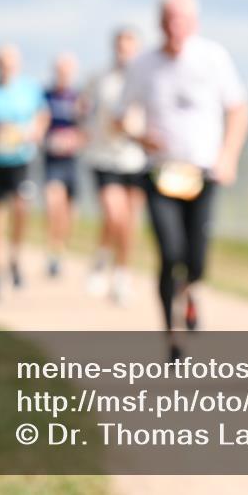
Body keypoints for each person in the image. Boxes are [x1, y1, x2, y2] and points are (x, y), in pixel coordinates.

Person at [119, 0, 248, 359]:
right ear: (160, 23)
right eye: (169, 19)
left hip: (203, 172)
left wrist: (229, 157)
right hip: (160, 172)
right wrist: (138, 133)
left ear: (194, 23)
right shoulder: (143, 64)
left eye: (182, 20)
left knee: (196, 257)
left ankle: (191, 292)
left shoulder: (213, 57)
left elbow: (237, 109)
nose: (175, 27)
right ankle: (172, 337)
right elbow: (121, 116)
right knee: (168, 251)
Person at [0, 44, 49, 301]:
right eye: (2, 63)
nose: (7, 67)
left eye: (11, 63)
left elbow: (42, 115)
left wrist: (36, 131)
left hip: (20, 159)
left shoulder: (30, 89)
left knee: (21, 207)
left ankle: (14, 256)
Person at [81, 27, 148, 304]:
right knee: (115, 214)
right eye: (121, 46)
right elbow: (84, 109)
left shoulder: (148, 78)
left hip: (138, 158)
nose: (125, 51)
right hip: (105, 157)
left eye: (130, 46)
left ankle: (122, 273)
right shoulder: (101, 79)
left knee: (130, 222)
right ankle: (102, 257)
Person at [42, 53, 84, 278]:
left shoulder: (79, 98)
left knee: (68, 212)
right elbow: (38, 126)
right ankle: (53, 250)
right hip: (52, 162)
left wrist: (75, 139)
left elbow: (88, 131)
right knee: (52, 204)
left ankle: (61, 248)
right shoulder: (45, 96)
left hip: (72, 162)